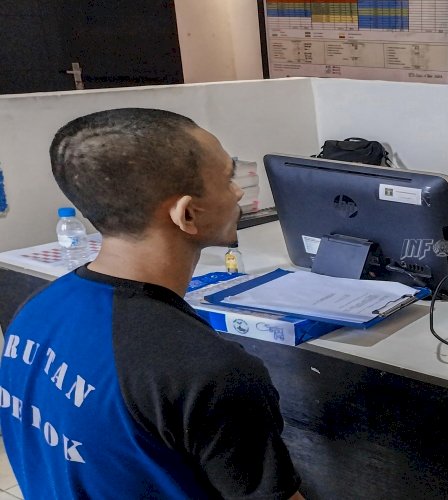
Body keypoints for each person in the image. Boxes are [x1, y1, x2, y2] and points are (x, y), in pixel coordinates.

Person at [0, 109, 304, 499]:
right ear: (187, 213)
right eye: (228, 179)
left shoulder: (36, 309)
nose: (238, 192)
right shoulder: (206, 372)